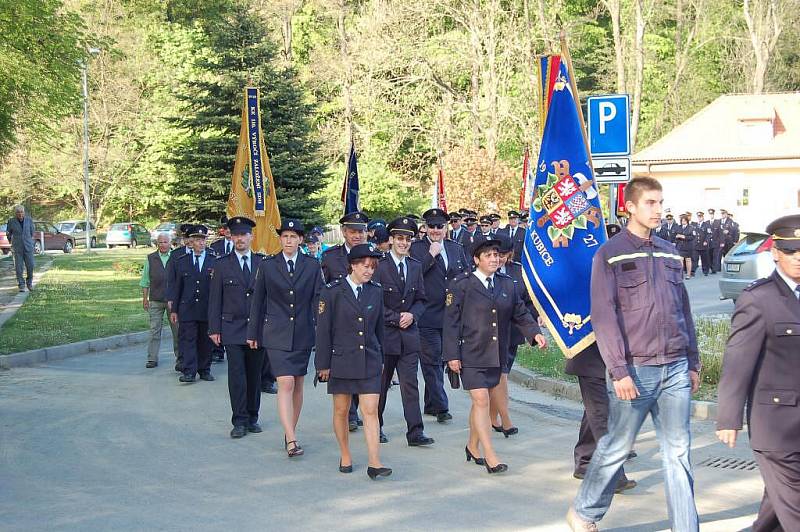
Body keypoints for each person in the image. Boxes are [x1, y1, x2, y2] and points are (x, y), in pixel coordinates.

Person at [567, 176, 701, 532]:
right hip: (636, 370)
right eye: (651, 203)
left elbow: (683, 310)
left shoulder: (671, 252)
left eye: (661, 203)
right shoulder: (610, 254)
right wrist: (619, 370)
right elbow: (604, 315)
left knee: (678, 453)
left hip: (674, 367)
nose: (658, 210)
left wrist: (693, 360)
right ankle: (584, 512)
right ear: (630, 206)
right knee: (615, 448)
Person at [715, 214, 800, 532]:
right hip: (776, 428)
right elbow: (738, 361)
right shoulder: (758, 298)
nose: (799, 258)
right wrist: (729, 418)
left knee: (773, 517)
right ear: (775, 251)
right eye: (791, 250)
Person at [444, 239, 545, 474]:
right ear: (477, 260)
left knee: (480, 403)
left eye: (497, 255)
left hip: (495, 353)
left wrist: (534, 334)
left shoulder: (507, 284)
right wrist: (451, 355)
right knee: (481, 401)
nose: (494, 259)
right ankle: (490, 455)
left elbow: (520, 312)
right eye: (488, 255)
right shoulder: (461, 284)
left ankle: (472, 446)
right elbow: (450, 322)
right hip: (469, 353)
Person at [315, 243, 392, 479]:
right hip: (341, 360)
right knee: (341, 410)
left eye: (372, 267)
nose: (369, 271)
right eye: (365, 266)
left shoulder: (376, 291)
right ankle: (345, 453)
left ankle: (374, 462)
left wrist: (382, 360)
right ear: (353, 266)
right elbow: (323, 330)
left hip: (369, 359)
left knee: (370, 410)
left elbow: (380, 329)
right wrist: (323, 365)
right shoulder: (332, 291)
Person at [247, 219, 321, 457]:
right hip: (276, 333)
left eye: (293, 237)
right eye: (285, 236)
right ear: (280, 239)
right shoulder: (268, 266)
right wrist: (253, 333)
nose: (288, 241)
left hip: (302, 333)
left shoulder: (311, 265)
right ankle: (291, 439)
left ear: (301, 240)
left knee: (298, 383)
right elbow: (258, 301)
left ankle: (291, 430)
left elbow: (319, 300)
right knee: (285, 383)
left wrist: (323, 331)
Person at [375, 217, 434, 447]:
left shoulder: (415, 266)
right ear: (391, 240)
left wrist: (413, 315)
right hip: (386, 336)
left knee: (411, 385)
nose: (403, 243)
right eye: (399, 238)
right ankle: (375, 426)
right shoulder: (379, 266)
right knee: (381, 384)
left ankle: (415, 432)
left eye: (407, 239)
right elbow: (374, 301)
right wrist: (394, 318)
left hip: (409, 336)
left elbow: (421, 299)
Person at [208, 217, 266, 439]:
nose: (240, 239)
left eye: (244, 235)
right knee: (237, 376)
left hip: (256, 329)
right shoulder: (222, 264)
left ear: (251, 237)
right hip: (231, 328)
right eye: (236, 235)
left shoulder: (263, 263)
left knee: (254, 375)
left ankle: (253, 417)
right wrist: (214, 328)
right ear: (230, 237)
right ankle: (239, 420)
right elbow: (215, 299)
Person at [410, 208, 469, 423]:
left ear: (446, 228)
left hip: (451, 315)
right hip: (427, 315)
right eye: (431, 226)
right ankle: (442, 406)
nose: (435, 230)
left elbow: (465, 276)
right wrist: (430, 255)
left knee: (443, 360)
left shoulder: (456, 248)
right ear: (425, 228)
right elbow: (413, 276)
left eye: (440, 226)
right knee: (432, 361)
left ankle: (430, 404)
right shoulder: (416, 249)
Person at [488, 234, 540, 436]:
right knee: (500, 376)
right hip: (489, 334)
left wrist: (531, 328)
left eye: (502, 254)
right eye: (495, 253)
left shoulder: (518, 272)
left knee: (501, 375)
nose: (498, 258)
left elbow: (528, 302)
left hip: (512, 333)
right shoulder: (480, 273)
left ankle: (493, 417)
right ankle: (506, 419)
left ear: (510, 254)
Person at [322, 211, 369, 431]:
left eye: (361, 231)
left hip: (365, 321)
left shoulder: (373, 257)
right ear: (343, 232)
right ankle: (350, 414)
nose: (357, 235)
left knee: (363, 368)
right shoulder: (331, 257)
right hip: (340, 322)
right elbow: (324, 290)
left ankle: (361, 412)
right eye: (353, 231)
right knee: (345, 369)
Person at [168, 225, 217, 384]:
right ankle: (189, 371)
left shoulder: (213, 259)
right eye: (197, 240)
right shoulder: (182, 261)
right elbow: (177, 287)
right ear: (191, 242)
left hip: (206, 307)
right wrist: (174, 309)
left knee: (205, 341)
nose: (201, 243)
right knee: (188, 340)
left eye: (203, 240)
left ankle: (204, 369)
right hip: (187, 307)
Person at [140, 233, 179, 369]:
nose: (162, 245)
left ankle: (180, 357)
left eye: (165, 242)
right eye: (160, 242)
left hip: (173, 301)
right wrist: (145, 298)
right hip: (156, 300)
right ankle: (152, 358)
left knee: (177, 330)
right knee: (154, 329)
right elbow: (145, 280)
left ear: (170, 243)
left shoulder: (176, 257)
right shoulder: (151, 258)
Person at [165, 223, 193, 373]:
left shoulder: (205, 253)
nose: (189, 241)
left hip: (198, 301)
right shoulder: (176, 255)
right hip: (181, 300)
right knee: (181, 332)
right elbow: (172, 279)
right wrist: (171, 298)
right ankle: (182, 360)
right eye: (186, 238)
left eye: (191, 238)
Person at [6, 205, 35, 292]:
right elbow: (8, 233)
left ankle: (29, 283)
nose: (20, 214)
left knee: (31, 266)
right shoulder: (11, 221)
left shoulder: (29, 220)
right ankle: (21, 285)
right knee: (19, 268)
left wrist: (28, 240)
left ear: (24, 213)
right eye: (18, 212)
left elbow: (32, 232)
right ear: (16, 213)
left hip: (28, 247)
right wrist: (11, 241)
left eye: (22, 212)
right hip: (17, 247)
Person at [675, 214, 695, 279]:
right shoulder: (679, 227)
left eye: (684, 221)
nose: (683, 222)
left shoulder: (691, 227)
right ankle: (681, 274)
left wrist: (684, 237)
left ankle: (688, 274)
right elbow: (675, 234)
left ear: (687, 221)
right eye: (682, 221)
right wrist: (677, 236)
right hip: (680, 246)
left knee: (688, 260)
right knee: (680, 260)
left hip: (688, 246)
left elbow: (693, 237)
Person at [692, 211, 711, 276]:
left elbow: (709, 234)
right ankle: (693, 271)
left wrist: (706, 241)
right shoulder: (695, 225)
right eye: (698, 217)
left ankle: (705, 271)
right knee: (694, 258)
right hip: (696, 245)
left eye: (700, 217)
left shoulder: (706, 225)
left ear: (703, 217)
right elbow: (694, 234)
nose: (699, 218)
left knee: (704, 259)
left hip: (703, 245)